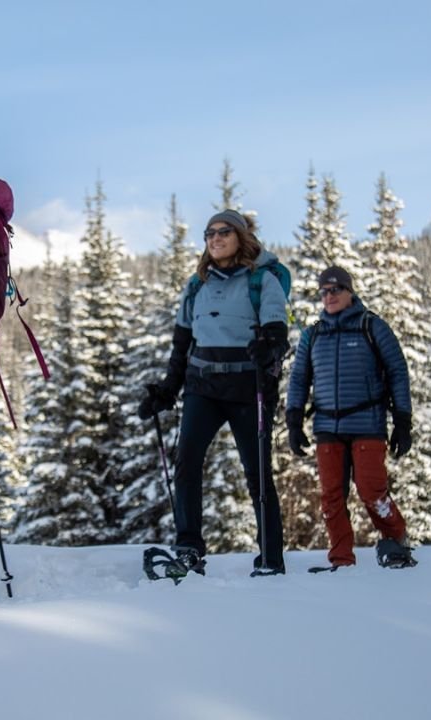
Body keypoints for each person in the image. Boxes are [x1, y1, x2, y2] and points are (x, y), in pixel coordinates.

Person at [137, 209, 290, 576]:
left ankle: (270, 556)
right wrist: (168, 390)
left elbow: (277, 331)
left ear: (241, 236)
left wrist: (269, 347)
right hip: (202, 385)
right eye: (209, 233)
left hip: (248, 386)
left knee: (256, 472)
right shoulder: (197, 285)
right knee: (187, 461)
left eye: (224, 232)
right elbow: (182, 343)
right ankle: (188, 548)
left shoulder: (262, 280)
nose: (215, 238)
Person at [284, 266, 415, 570]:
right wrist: (294, 420)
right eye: (324, 292)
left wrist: (403, 421)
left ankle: (397, 538)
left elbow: (398, 372)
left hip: (368, 424)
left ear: (349, 291)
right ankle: (341, 560)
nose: (329, 296)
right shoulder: (313, 335)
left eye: (335, 290)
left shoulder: (373, 327)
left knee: (372, 491)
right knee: (331, 497)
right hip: (327, 427)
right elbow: (298, 380)